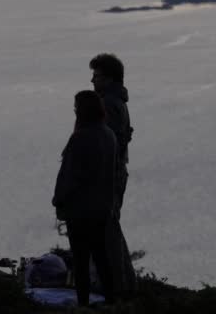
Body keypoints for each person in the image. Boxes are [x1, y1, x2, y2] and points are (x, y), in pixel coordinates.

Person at [52, 90, 119, 307]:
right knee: (101, 256)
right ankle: (112, 301)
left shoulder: (80, 137)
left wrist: (58, 200)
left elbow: (70, 175)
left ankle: (83, 304)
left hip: (80, 210)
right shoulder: (109, 135)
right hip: (102, 208)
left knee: (80, 260)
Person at [90, 53, 137, 296]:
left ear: (108, 78)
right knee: (110, 230)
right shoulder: (118, 102)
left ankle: (118, 289)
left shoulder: (108, 104)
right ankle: (123, 286)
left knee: (107, 233)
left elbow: (107, 146)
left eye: (96, 76)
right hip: (114, 175)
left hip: (107, 178)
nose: (92, 81)